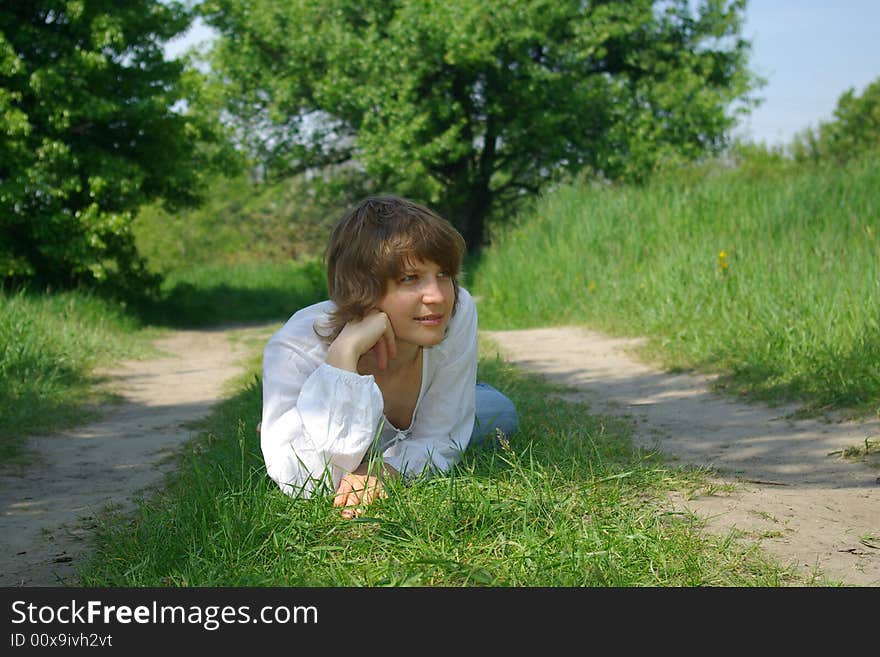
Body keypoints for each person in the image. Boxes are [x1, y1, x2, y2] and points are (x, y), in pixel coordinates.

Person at [260, 195, 518, 518]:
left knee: (501, 413)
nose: (438, 297)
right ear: (361, 288)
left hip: (435, 407)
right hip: (331, 375)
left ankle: (461, 395)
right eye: (409, 279)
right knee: (293, 446)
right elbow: (303, 477)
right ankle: (288, 423)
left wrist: (383, 473)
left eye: (444, 274)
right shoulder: (294, 349)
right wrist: (343, 357)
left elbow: (441, 439)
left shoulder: (459, 310)